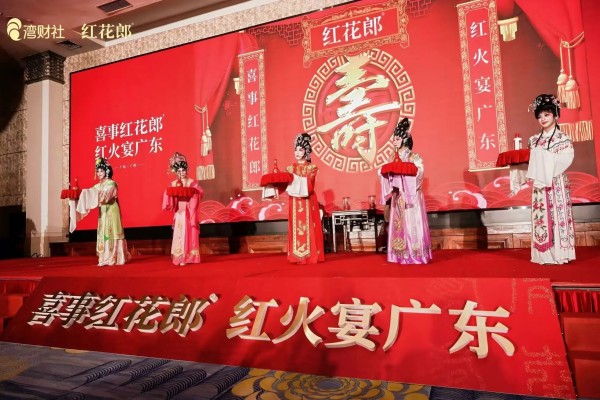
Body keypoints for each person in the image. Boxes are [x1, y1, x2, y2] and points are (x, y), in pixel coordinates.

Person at [526, 94, 575, 264]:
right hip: (540, 187)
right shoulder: (533, 140)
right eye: (539, 116)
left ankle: (560, 254)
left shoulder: (563, 138)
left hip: (556, 182)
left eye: (546, 114)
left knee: (558, 216)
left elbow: (566, 160)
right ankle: (543, 254)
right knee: (541, 217)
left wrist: (543, 157)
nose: (543, 119)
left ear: (555, 114)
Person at [379, 118, 432, 264]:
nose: (394, 141)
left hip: (411, 196)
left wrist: (407, 172)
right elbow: (383, 172)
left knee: (412, 222)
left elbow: (420, 171)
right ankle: (399, 253)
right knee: (399, 224)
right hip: (398, 195)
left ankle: (415, 253)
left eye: (397, 139)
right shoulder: (392, 157)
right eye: (394, 139)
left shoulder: (414, 157)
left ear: (404, 139)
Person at [285, 133, 325, 264]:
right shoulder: (290, 168)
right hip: (294, 201)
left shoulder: (311, 168)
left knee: (309, 226)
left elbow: (309, 185)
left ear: (306, 151)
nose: (297, 152)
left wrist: (293, 179)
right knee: (295, 226)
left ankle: (310, 256)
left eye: (300, 149)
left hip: (307, 200)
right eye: (296, 149)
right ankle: (296, 256)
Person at [162, 152, 203, 266]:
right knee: (179, 233)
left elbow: (200, 192)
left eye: (183, 170)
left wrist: (193, 193)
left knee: (188, 233)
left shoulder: (191, 182)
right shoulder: (174, 183)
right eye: (179, 171)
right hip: (179, 212)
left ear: (186, 170)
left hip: (189, 211)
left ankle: (188, 257)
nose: (182, 173)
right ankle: (179, 257)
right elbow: (167, 193)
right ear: (176, 172)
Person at [94, 158, 131, 266]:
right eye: (98, 171)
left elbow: (104, 198)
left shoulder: (111, 184)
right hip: (103, 211)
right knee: (103, 231)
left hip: (111, 209)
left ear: (107, 171)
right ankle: (104, 258)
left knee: (112, 231)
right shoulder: (98, 185)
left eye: (101, 171)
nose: (99, 173)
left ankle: (114, 257)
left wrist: (96, 195)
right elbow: (90, 194)